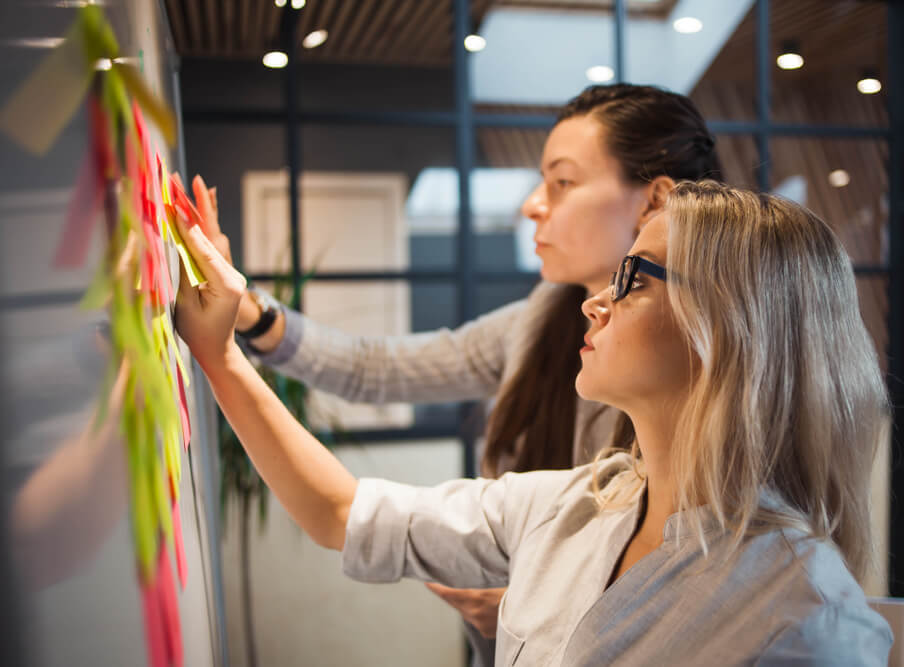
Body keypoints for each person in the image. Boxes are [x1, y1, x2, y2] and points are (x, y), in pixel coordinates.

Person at [174, 179, 894, 665]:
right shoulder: (575, 503)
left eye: (633, 279)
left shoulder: (810, 620)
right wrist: (221, 358)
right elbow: (342, 511)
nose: (595, 303)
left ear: (732, 329)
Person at [191, 84, 723, 661]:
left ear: (655, 201)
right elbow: (352, 481)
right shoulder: (544, 334)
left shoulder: (709, 439)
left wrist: (545, 596)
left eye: (562, 183)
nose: (532, 205)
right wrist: (246, 316)